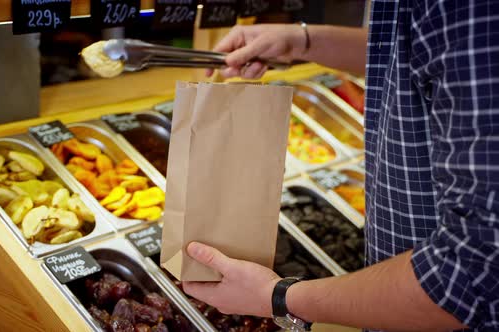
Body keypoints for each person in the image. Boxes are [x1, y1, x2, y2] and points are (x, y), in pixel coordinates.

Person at [182, 1, 499, 331]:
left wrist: (278, 297)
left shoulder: (472, 13)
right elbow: (414, 50)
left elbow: (470, 276)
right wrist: (304, 42)